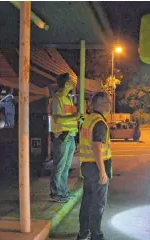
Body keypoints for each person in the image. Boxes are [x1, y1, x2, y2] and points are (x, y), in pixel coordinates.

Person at [77, 92, 113, 240]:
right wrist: (103, 171)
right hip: (97, 167)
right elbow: (97, 147)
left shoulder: (89, 119)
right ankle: (96, 235)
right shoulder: (99, 122)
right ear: (102, 104)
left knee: (87, 201)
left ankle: (83, 233)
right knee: (97, 204)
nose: (110, 105)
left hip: (87, 166)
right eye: (109, 103)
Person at [50, 73, 81, 203]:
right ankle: (56, 193)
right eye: (70, 81)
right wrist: (73, 117)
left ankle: (63, 192)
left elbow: (70, 116)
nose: (73, 83)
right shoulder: (57, 99)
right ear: (65, 83)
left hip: (70, 135)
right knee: (60, 166)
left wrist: (77, 118)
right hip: (62, 136)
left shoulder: (68, 99)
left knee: (66, 166)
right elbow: (56, 117)